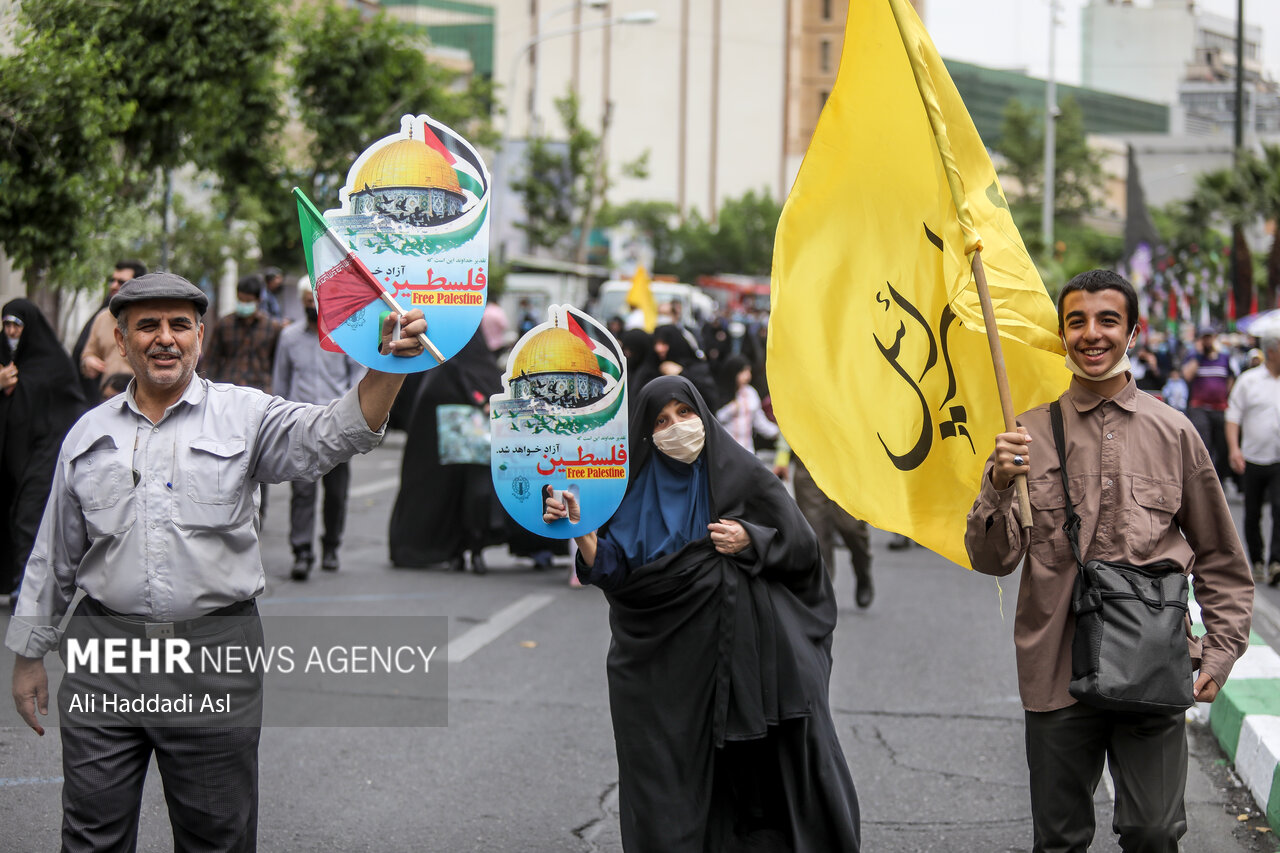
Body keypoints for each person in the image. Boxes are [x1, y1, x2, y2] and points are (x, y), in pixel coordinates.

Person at [7, 272, 428, 852]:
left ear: (200, 337)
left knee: (217, 836)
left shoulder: (245, 416)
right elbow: (55, 553)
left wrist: (388, 365)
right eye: (146, 326)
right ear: (122, 341)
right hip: (105, 651)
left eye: (179, 325)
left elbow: (335, 433)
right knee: (90, 835)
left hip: (213, 655)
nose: (165, 338)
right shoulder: (88, 435)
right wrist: (29, 654)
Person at [965, 269, 1253, 853]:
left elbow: (1222, 558)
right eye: (1077, 321)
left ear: (1133, 333)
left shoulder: (1176, 433)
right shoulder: (1025, 436)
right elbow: (992, 559)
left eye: (1107, 320)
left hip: (1153, 662)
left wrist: (1219, 654)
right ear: (1063, 335)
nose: (1091, 334)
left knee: (1154, 833)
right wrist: (997, 483)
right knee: (1061, 839)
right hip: (1054, 671)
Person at [544, 375, 861, 852]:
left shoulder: (742, 473)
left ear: (703, 414)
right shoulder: (628, 491)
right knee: (663, 784)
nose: (677, 427)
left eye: (685, 413)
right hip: (658, 666)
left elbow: (801, 549)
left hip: (742, 663)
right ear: (645, 434)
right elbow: (616, 572)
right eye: (661, 421)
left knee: (755, 782)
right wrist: (584, 533)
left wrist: (751, 539)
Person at [389, 328, 505, 574]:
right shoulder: (469, 354)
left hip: (457, 439)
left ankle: (461, 550)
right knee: (471, 494)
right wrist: (482, 399)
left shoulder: (440, 363)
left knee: (457, 495)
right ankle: (471, 550)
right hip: (469, 440)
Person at [272, 280, 365, 580]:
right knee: (302, 492)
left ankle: (331, 547)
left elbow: (358, 378)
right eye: (305, 301)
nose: (311, 306)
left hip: (337, 425)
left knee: (336, 494)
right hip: (300, 426)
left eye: (315, 300)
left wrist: (353, 417)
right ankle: (302, 552)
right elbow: (281, 382)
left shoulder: (346, 335)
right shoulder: (288, 337)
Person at [0, 300, 85, 602]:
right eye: (6, 325)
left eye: (17, 326)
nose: (11, 332)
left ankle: (28, 586)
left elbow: (70, 407)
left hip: (46, 451)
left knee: (29, 515)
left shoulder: (53, 363)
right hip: (13, 456)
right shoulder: (6, 361)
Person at [1226, 334, 1280, 586]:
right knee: (1252, 513)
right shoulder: (1248, 381)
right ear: (1271, 352)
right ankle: (1257, 559)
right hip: (1252, 458)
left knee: (1279, 509)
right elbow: (1233, 417)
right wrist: (1234, 449)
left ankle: (1275, 562)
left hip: (1278, 459)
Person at [201, 274, 283, 394]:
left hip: (261, 392)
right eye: (241, 300)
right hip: (228, 391)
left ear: (259, 299)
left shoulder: (272, 328)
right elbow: (211, 361)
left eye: (248, 301)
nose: (244, 304)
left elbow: (278, 364)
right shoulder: (224, 324)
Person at [77, 260, 146, 399]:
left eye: (121, 282)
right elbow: (88, 354)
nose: (114, 286)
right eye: (112, 280)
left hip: (143, 398)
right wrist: (89, 362)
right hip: (107, 399)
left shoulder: (150, 319)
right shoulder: (102, 318)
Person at [1183, 324, 1236, 485]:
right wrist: (1199, 356)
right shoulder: (1194, 358)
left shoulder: (1224, 358)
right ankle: (1204, 480)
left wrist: (1225, 395)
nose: (1207, 341)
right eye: (1204, 338)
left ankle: (1219, 479)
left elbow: (1231, 378)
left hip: (1220, 408)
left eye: (1209, 338)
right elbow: (1187, 374)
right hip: (1200, 408)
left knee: (1222, 446)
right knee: (1204, 445)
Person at [715, 354, 778, 456]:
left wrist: (777, 433)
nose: (747, 375)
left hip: (747, 451)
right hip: (726, 452)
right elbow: (717, 418)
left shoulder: (750, 393)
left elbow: (759, 420)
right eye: (743, 371)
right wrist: (734, 407)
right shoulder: (722, 393)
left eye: (748, 371)